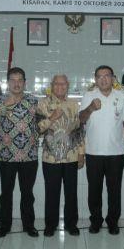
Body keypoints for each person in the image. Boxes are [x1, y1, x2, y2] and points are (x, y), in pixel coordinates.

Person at [79, 65, 124, 235]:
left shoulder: (121, 96)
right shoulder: (89, 95)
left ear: (113, 78)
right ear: (95, 79)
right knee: (94, 190)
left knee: (114, 190)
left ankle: (112, 221)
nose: (103, 79)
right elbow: (81, 119)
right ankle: (95, 221)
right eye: (99, 76)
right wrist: (90, 108)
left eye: (107, 75)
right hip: (93, 152)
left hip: (116, 153)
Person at [0, 67, 40, 238]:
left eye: (20, 80)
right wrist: (5, 105)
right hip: (6, 155)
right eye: (13, 80)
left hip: (29, 155)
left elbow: (41, 124)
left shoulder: (33, 101)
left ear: (25, 83)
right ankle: (4, 226)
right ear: (8, 82)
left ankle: (29, 225)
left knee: (27, 193)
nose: (16, 84)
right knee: (6, 193)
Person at [37, 74, 84, 237]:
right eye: (57, 84)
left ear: (68, 85)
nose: (60, 87)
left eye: (63, 84)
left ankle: (71, 224)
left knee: (71, 192)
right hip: (51, 157)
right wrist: (51, 118)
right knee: (52, 192)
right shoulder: (43, 104)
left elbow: (79, 130)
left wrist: (81, 153)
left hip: (71, 156)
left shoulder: (74, 104)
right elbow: (38, 129)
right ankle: (50, 225)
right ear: (52, 85)